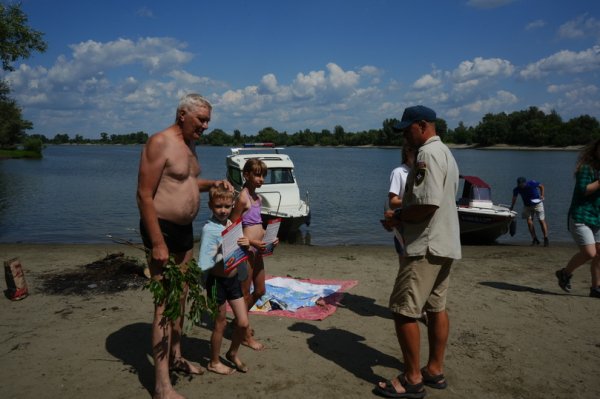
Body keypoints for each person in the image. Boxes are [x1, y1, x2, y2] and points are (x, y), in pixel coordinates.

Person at [136, 93, 231, 399]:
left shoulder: (191, 145)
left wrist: (214, 183)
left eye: (207, 121)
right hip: (161, 230)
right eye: (201, 120)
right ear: (182, 115)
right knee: (164, 306)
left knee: (183, 296)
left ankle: (176, 357)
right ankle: (162, 385)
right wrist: (157, 242)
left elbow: (186, 183)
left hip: (184, 231)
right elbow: (144, 195)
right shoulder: (159, 142)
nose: (205, 126)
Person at [376, 105, 461, 398]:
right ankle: (434, 370)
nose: (405, 137)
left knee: (403, 311)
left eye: (407, 130)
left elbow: (427, 204)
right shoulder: (446, 152)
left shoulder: (426, 154)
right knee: (436, 308)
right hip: (445, 242)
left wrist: (397, 219)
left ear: (422, 125)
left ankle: (412, 379)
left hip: (425, 244)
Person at [199, 183, 251, 374]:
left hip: (233, 280)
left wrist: (245, 244)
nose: (223, 210)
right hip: (216, 283)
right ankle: (213, 361)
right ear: (210, 206)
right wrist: (217, 251)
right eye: (218, 206)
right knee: (219, 323)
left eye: (227, 207)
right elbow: (204, 261)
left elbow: (238, 251)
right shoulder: (209, 229)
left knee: (243, 323)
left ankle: (232, 353)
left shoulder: (231, 224)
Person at [230, 158, 278, 351]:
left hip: (258, 250)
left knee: (260, 291)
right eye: (257, 175)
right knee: (244, 292)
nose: (261, 179)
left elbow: (257, 224)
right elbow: (232, 227)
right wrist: (250, 242)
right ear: (246, 175)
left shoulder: (257, 198)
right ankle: (245, 333)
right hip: (246, 251)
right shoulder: (243, 198)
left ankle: (239, 321)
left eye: (263, 175)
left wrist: (270, 237)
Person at [555, 139, 600, 298]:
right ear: (596, 150)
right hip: (580, 215)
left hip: (598, 217)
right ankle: (565, 273)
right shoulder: (586, 169)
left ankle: (596, 288)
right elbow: (584, 191)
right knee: (589, 253)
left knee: (599, 254)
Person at [386, 145, 416, 255]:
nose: (417, 153)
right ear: (407, 152)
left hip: (418, 224)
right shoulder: (399, 172)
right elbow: (393, 202)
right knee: (404, 261)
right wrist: (414, 201)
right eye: (413, 150)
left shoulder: (421, 172)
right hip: (403, 225)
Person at [510, 176, 549, 246]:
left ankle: (546, 238)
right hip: (527, 206)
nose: (521, 186)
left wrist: (542, 195)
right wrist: (512, 206)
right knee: (529, 221)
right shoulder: (516, 189)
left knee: (541, 220)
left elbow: (541, 186)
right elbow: (514, 198)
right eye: (519, 184)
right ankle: (534, 238)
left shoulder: (532, 183)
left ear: (525, 183)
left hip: (538, 204)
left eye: (522, 184)